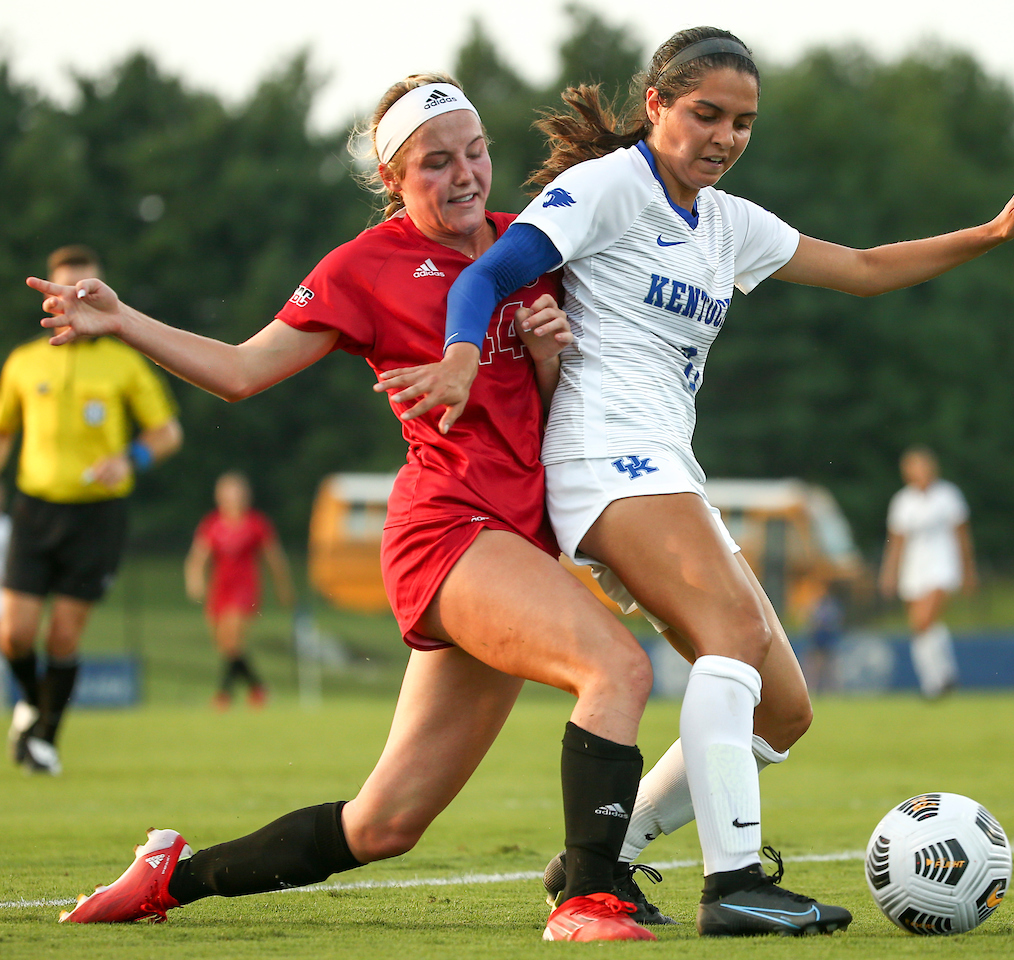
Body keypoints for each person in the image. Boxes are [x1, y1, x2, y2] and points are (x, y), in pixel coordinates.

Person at [387, 26, 1014, 937]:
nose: (723, 136)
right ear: (658, 107)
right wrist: (465, 357)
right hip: (602, 455)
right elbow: (486, 273)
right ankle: (735, 883)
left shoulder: (730, 223)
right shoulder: (605, 187)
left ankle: (605, 854)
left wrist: (992, 232)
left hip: (666, 465)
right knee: (736, 633)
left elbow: (866, 271)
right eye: (706, 114)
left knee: (784, 709)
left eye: (743, 123)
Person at [30, 75, 656, 942]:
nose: (466, 174)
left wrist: (551, 357)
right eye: (435, 162)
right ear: (392, 180)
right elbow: (243, 372)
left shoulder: (526, 249)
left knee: (384, 825)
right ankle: (589, 898)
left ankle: (172, 875)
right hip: (448, 533)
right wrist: (125, 319)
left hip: (515, 545)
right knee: (617, 671)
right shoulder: (364, 267)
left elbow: (553, 422)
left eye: (474, 151)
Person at [2, 245, 183, 776]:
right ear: (50, 298)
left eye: (87, 291)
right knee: (14, 634)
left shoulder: (124, 361)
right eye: (67, 291)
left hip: (96, 516)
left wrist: (131, 458)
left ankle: (44, 739)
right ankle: (34, 705)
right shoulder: (22, 362)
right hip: (34, 508)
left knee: (62, 635)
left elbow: (167, 432)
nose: (76, 300)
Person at [185, 470, 294, 709]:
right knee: (225, 645)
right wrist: (195, 581)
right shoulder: (212, 524)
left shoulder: (256, 523)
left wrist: (283, 587)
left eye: (237, 492)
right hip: (220, 589)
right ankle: (258, 688)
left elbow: (274, 559)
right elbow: (198, 557)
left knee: (233, 639)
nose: (232, 497)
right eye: (227, 492)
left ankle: (223, 695)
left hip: (246, 589)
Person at [879, 446, 977, 698]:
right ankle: (940, 677)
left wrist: (969, 570)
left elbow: (962, 536)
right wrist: (889, 573)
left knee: (923, 620)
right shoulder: (903, 501)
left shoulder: (948, 496)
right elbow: (896, 542)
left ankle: (936, 681)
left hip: (943, 566)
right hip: (914, 569)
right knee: (922, 627)